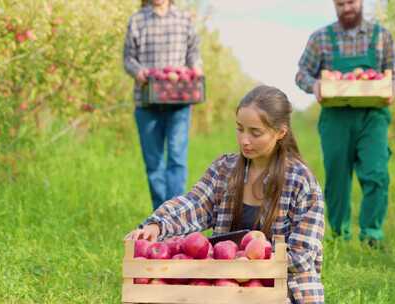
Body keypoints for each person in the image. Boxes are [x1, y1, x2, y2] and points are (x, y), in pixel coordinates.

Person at [125, 85, 325, 304]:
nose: (244, 140)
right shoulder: (225, 169)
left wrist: (250, 262)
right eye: (240, 129)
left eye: (255, 132)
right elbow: (194, 205)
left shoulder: (301, 182)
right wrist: (157, 225)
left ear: (280, 132)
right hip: (227, 289)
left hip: (283, 289)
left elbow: (302, 255)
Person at [295, 0, 395, 246]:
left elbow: (393, 75)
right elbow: (301, 74)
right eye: (340, 4)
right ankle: (339, 235)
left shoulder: (381, 36)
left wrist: (392, 89)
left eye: (351, 2)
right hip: (336, 117)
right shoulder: (321, 38)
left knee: (376, 174)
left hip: (372, 117)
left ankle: (371, 235)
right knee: (337, 178)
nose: (346, 8)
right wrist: (315, 85)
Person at [123, 0, 203, 210]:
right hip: (147, 101)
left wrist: (196, 68)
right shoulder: (138, 19)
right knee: (154, 164)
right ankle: (160, 215)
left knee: (177, 159)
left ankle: (174, 215)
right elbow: (128, 58)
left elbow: (193, 53)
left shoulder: (183, 19)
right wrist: (138, 72)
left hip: (179, 101)